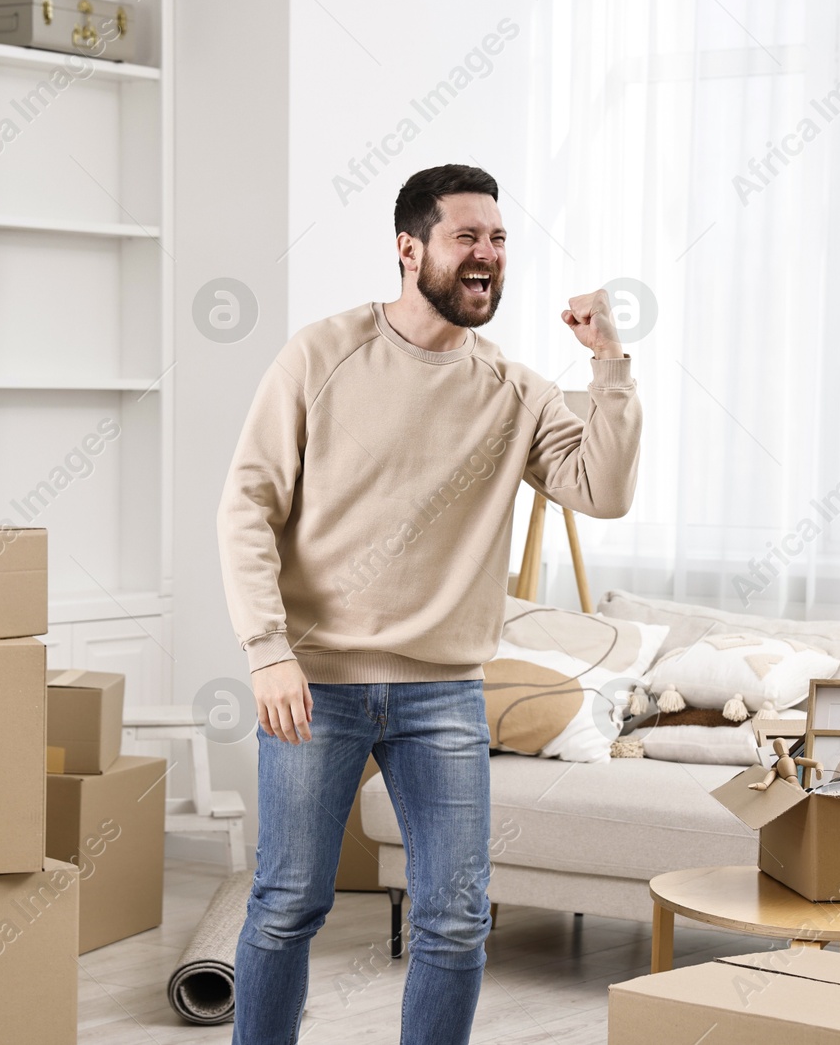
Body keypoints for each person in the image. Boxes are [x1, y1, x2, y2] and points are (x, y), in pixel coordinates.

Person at [217, 163, 643, 1044]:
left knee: (456, 920)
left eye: (498, 240)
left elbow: (601, 490)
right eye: (467, 237)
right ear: (410, 250)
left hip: (444, 692)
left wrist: (607, 364)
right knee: (289, 902)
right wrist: (265, 648)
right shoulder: (320, 354)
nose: (488, 255)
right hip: (314, 683)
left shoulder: (516, 390)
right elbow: (247, 505)